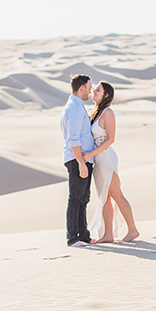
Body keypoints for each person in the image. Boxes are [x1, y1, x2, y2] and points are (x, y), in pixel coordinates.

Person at [82, 81, 139, 243]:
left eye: (98, 90)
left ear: (105, 95)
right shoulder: (95, 112)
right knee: (104, 198)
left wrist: (91, 153)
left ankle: (133, 230)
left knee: (117, 195)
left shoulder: (108, 112)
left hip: (106, 158)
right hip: (98, 160)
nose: (94, 91)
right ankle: (108, 235)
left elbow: (111, 139)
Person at [60, 74, 95, 247]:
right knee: (75, 199)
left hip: (82, 159)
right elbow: (73, 138)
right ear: (81, 89)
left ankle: (83, 235)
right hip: (77, 159)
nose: (90, 92)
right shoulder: (74, 108)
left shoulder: (77, 106)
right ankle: (72, 237)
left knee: (83, 199)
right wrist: (81, 162)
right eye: (89, 89)